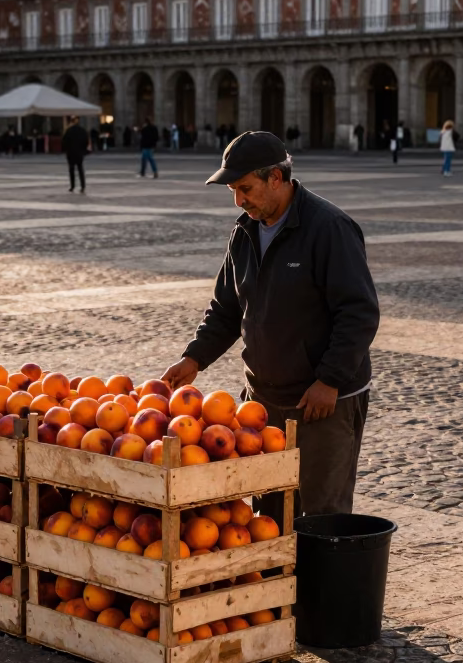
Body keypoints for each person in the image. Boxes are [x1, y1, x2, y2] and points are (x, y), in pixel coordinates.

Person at [162, 130, 380, 517]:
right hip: (262, 403)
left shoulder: (329, 228)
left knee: (321, 515)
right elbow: (227, 309)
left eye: (245, 187)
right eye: (233, 190)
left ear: (276, 178)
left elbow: (359, 313)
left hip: (321, 404)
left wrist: (329, 380)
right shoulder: (244, 232)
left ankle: (321, 581)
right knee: (269, 512)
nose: (238, 200)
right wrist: (194, 358)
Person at [62, 115, 89, 193]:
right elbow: (86, 141)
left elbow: (64, 141)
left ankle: (72, 186)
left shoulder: (68, 130)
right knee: (80, 169)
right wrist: (83, 150)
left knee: (71, 170)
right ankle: (83, 186)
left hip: (70, 153)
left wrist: (66, 150)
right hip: (80, 153)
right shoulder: (82, 130)